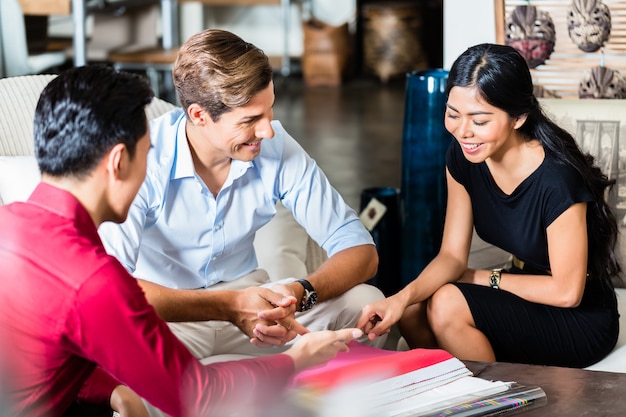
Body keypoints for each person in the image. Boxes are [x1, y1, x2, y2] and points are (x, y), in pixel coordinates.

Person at [0, 65, 365, 417]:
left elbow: (48, 349)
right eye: (145, 155)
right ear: (118, 163)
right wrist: (294, 361)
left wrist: (109, 390)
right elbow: (195, 395)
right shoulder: (95, 280)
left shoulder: (9, 226)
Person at [97, 28, 386, 360]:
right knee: (120, 357)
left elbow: (360, 250)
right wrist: (229, 305)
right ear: (198, 115)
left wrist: (299, 291)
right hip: (172, 318)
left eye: (269, 110)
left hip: (257, 308)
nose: (267, 130)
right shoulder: (143, 159)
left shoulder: (274, 145)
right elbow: (112, 288)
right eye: (250, 120)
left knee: (365, 303)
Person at [357, 43, 621, 368]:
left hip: (578, 316)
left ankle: (493, 401)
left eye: (479, 120)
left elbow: (567, 292)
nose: (463, 131)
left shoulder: (556, 179)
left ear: (518, 117)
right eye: (453, 114)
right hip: (520, 293)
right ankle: (449, 392)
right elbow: (452, 256)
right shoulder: (463, 156)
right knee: (414, 309)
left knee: (447, 302)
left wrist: (484, 278)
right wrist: (400, 298)